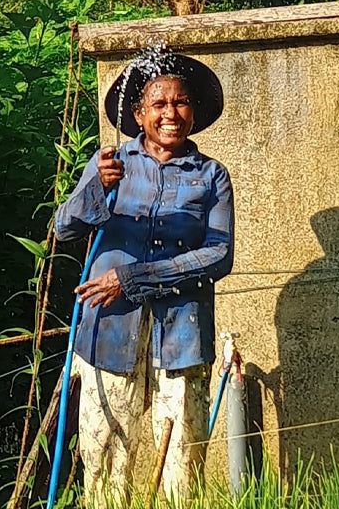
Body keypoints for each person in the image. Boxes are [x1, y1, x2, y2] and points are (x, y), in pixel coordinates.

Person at [54, 50, 233, 506]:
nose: (171, 113)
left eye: (181, 102)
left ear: (193, 111)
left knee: (181, 468)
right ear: (138, 115)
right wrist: (97, 187)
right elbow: (63, 229)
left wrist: (134, 278)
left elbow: (218, 255)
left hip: (181, 340)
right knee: (105, 464)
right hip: (109, 333)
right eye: (159, 104)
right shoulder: (111, 163)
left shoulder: (211, 176)